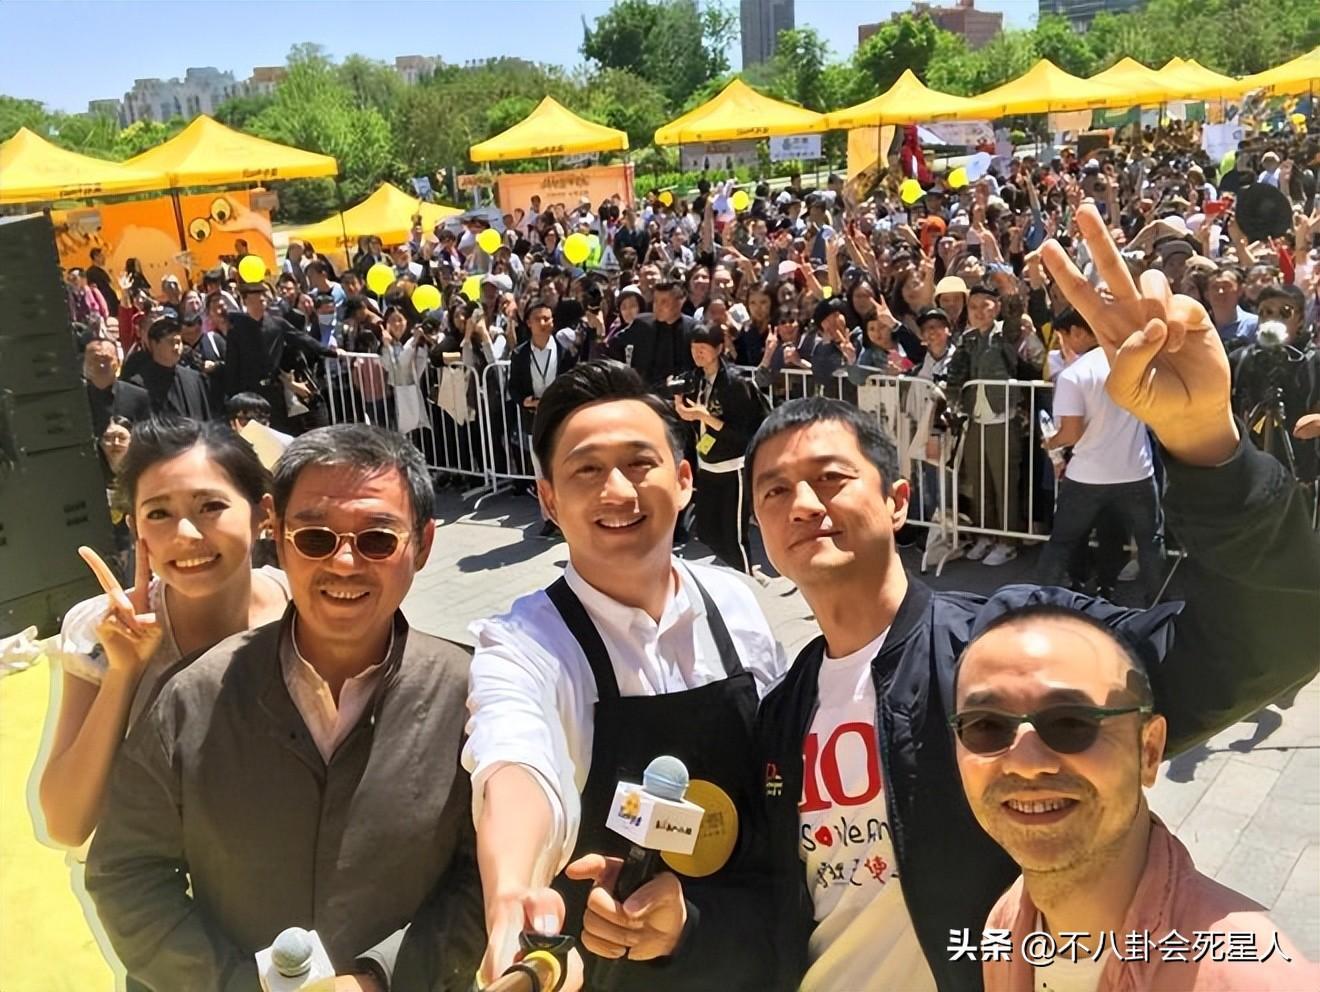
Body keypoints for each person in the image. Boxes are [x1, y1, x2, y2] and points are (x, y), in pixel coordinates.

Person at [733, 205, 1318, 992]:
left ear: (899, 500)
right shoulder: (782, 709)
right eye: (775, 491)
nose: (803, 505)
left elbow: (1274, 636)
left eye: (831, 478)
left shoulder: (1009, 656)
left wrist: (1209, 446)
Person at [84, 425, 483, 991]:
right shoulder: (193, 697)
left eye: (377, 539)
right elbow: (127, 873)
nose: (344, 563)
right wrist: (236, 985)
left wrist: (384, 977)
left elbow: (487, 875)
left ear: (423, 544)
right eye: (315, 537)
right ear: (277, 534)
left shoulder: (472, 697)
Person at [464, 361, 784, 990]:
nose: (617, 491)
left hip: (748, 949)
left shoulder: (736, 604)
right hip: (609, 963)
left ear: (685, 480)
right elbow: (514, 761)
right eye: (586, 470)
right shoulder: (523, 642)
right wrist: (511, 893)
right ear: (549, 500)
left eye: (640, 463)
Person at [952, 604, 1318, 991]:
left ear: (1148, 751)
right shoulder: (1007, 928)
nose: (1025, 764)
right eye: (985, 726)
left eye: (1071, 723)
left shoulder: (1255, 979)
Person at [40, 417, 290, 848]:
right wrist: (123, 673)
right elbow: (66, 824)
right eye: (158, 513)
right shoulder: (102, 629)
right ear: (136, 530)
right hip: (164, 877)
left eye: (210, 506)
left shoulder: (302, 606)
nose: (185, 534)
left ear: (261, 515)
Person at [1038, 307, 1165, 604]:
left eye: (1062, 337)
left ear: (1077, 332)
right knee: (1149, 542)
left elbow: (1071, 433)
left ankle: (1036, 606)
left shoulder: (1073, 375)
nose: (1061, 344)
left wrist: (1050, 442)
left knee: (1062, 543)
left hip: (1087, 475)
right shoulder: (1134, 366)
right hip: (1136, 471)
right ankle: (1162, 608)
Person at [946, 284, 1040, 566]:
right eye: (973, 307)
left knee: (1004, 482)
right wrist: (953, 402)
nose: (978, 312)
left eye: (984, 306)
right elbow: (956, 373)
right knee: (979, 481)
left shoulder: (1006, 334)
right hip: (975, 416)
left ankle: (1007, 541)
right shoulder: (968, 339)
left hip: (1003, 416)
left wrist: (1009, 291)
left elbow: (1013, 315)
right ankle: (985, 535)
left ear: (996, 307)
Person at [674, 325, 768, 573]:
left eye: (703, 349)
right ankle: (728, 579)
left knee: (733, 536)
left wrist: (705, 417)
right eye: (694, 349)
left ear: (718, 349)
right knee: (707, 531)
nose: (697, 354)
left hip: (733, 466)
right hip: (706, 463)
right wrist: (684, 411)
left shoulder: (735, 383)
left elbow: (744, 434)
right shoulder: (695, 379)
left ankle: (746, 579)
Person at [609, 279, 697, 385]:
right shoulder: (642, 324)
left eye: (664, 302)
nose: (658, 307)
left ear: (680, 302)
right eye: (655, 301)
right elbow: (614, 345)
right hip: (646, 389)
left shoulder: (692, 329)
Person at [125, 316, 212, 421]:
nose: (176, 348)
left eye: (178, 342)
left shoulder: (194, 379)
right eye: (171, 342)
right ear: (154, 344)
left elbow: (206, 419)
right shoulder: (139, 385)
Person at [82, 336, 151, 441]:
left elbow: (148, 440)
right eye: (95, 359)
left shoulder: (140, 398)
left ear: (118, 363)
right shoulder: (74, 399)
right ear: (85, 364)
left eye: (107, 359)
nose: (101, 365)